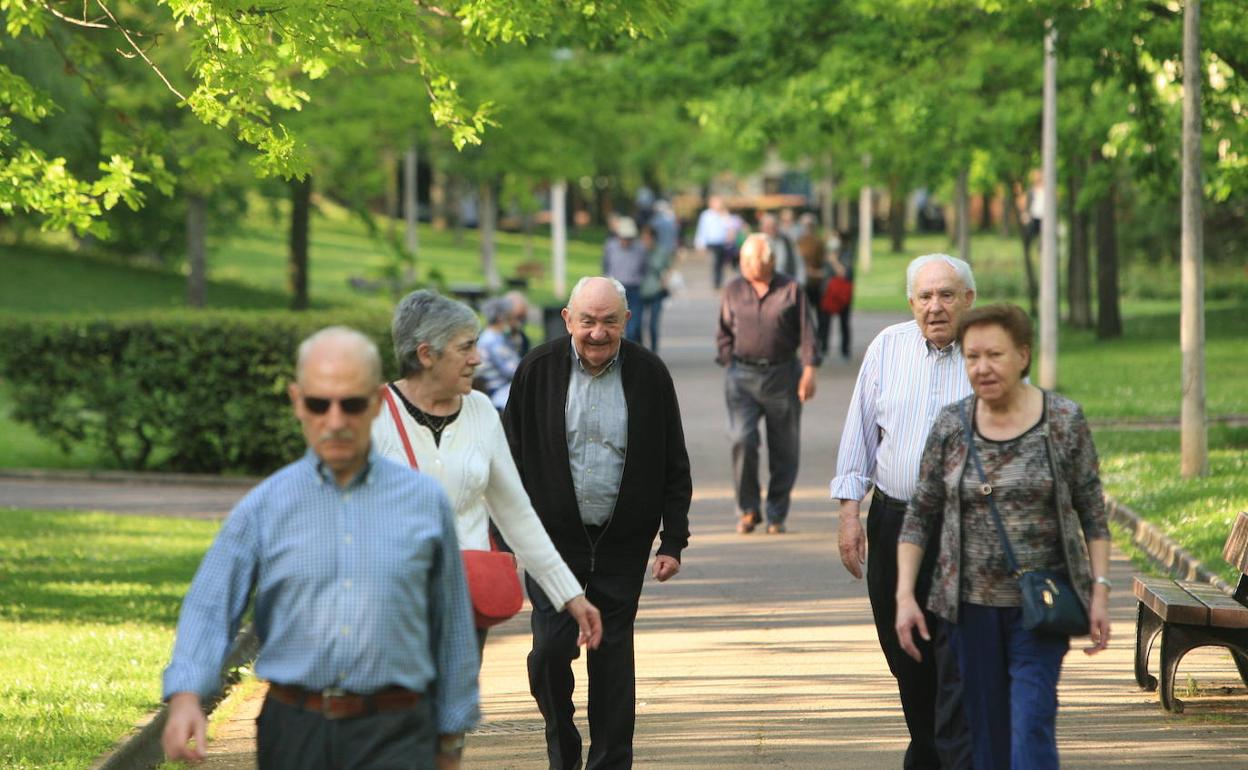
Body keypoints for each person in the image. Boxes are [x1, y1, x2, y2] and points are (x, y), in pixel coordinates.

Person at [161, 327, 478, 769]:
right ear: (297, 401)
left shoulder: (424, 502)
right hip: (296, 730)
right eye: (318, 403)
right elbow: (210, 606)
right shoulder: (264, 507)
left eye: (350, 404)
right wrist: (186, 696)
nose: (334, 421)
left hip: (398, 732)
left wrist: (450, 739)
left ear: (376, 402)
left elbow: (452, 626)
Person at [896, 303, 1111, 769]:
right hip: (967, 611)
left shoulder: (1063, 420)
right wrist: (904, 596)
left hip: (1040, 606)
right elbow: (921, 512)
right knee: (987, 741)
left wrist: (1099, 590)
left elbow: (1092, 510)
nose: (982, 367)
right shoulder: (952, 425)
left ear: (1023, 356)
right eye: (972, 357)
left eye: (994, 354)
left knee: (1031, 727)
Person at [503, 276, 692, 770]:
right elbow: (508, 459)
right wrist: (501, 538)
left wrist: (673, 539)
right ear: (567, 319)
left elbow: (674, 459)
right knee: (549, 652)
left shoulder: (649, 375)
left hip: (622, 543)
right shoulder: (537, 370)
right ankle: (562, 747)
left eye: (609, 321)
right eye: (587, 321)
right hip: (552, 543)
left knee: (610, 660)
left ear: (626, 322)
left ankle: (610, 763)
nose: (597, 332)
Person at [371, 290, 603, 655]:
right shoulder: (372, 417)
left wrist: (571, 596)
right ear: (426, 355)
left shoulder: (480, 412)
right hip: (392, 608)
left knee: (454, 710)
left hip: (465, 603)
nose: (477, 359)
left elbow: (516, 514)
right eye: (465, 348)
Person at [830, 253, 977, 769]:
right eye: (925, 296)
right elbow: (860, 436)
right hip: (894, 520)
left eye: (946, 295)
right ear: (911, 302)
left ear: (969, 300)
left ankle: (941, 753)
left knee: (958, 655)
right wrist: (850, 516)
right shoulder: (888, 348)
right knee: (904, 649)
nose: (935, 307)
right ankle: (930, 741)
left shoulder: (988, 353)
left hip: (966, 529)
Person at [717, 233, 818, 536]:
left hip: (783, 375)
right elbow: (723, 331)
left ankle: (776, 512)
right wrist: (728, 360)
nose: (748, 266)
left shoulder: (791, 289)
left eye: (755, 260)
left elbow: (808, 334)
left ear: (772, 261)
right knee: (742, 440)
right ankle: (748, 509)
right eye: (745, 260)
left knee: (784, 448)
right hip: (742, 377)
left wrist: (809, 370)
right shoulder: (733, 289)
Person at [602, 216, 648, 343]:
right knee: (615, 325)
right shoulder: (610, 246)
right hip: (615, 290)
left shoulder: (640, 248)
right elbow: (605, 265)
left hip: (634, 289)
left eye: (629, 238)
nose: (626, 241)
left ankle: (637, 353)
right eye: (624, 237)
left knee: (634, 326)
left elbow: (644, 268)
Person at [476, 296, 523, 411]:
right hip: (497, 389)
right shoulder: (493, 340)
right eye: (510, 317)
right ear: (501, 318)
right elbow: (512, 370)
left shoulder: (495, 337)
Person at [796, 215, 830, 355]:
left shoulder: (819, 242)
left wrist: (819, 273)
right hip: (805, 283)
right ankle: (809, 345)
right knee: (805, 317)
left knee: (821, 317)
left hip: (818, 283)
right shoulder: (799, 242)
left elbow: (824, 262)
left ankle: (821, 345)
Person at [638, 223, 673, 353]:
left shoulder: (661, 252)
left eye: (647, 238)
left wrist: (665, 281)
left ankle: (653, 352)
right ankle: (640, 351)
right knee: (637, 325)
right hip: (640, 291)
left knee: (653, 325)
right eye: (643, 238)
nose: (645, 241)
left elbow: (667, 269)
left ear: (653, 238)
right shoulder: (638, 252)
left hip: (656, 291)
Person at [694, 195, 732, 289]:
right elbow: (702, 230)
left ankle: (719, 281)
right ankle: (715, 282)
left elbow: (729, 227)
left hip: (722, 243)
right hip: (711, 242)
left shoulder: (724, 214)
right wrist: (700, 243)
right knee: (715, 262)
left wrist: (724, 215)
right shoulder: (706, 215)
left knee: (720, 264)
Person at [760, 212, 804, 284]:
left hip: (786, 286)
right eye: (768, 226)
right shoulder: (756, 244)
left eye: (773, 226)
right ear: (762, 228)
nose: (771, 229)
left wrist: (800, 283)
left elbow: (799, 263)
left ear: (778, 226)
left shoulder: (787, 241)